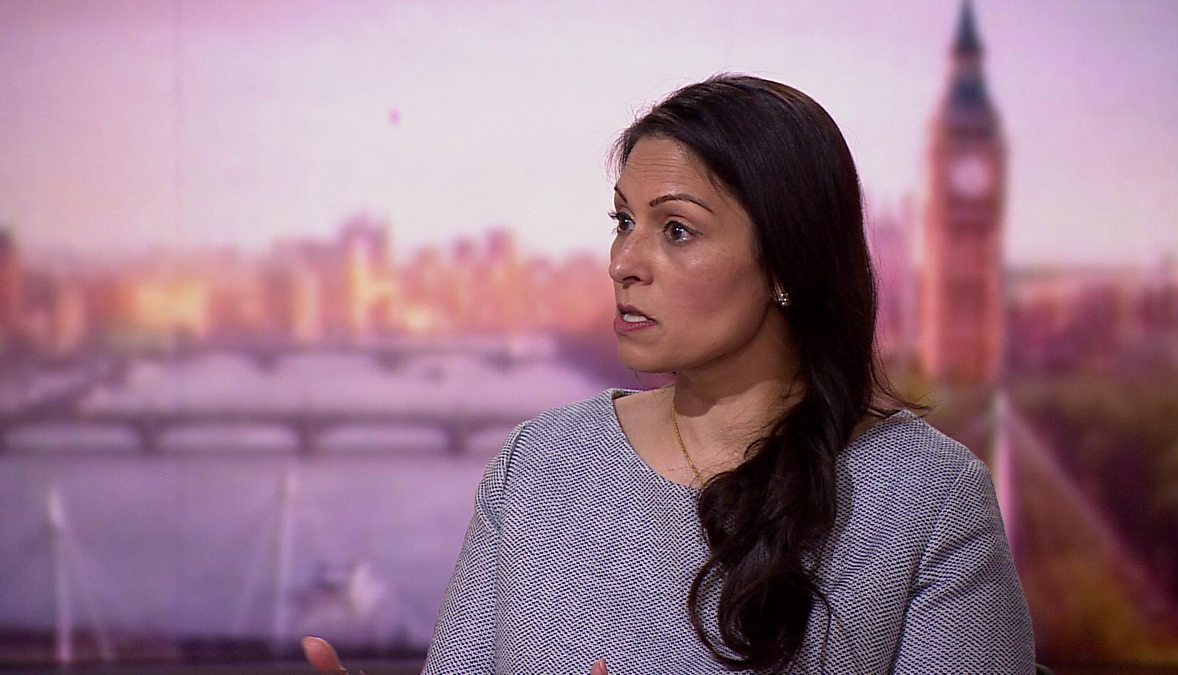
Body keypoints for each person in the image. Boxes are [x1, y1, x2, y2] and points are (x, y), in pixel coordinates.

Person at [306, 74, 1035, 673]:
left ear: (787, 263)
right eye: (624, 222)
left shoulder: (928, 500)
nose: (624, 262)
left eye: (676, 230)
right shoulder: (537, 465)